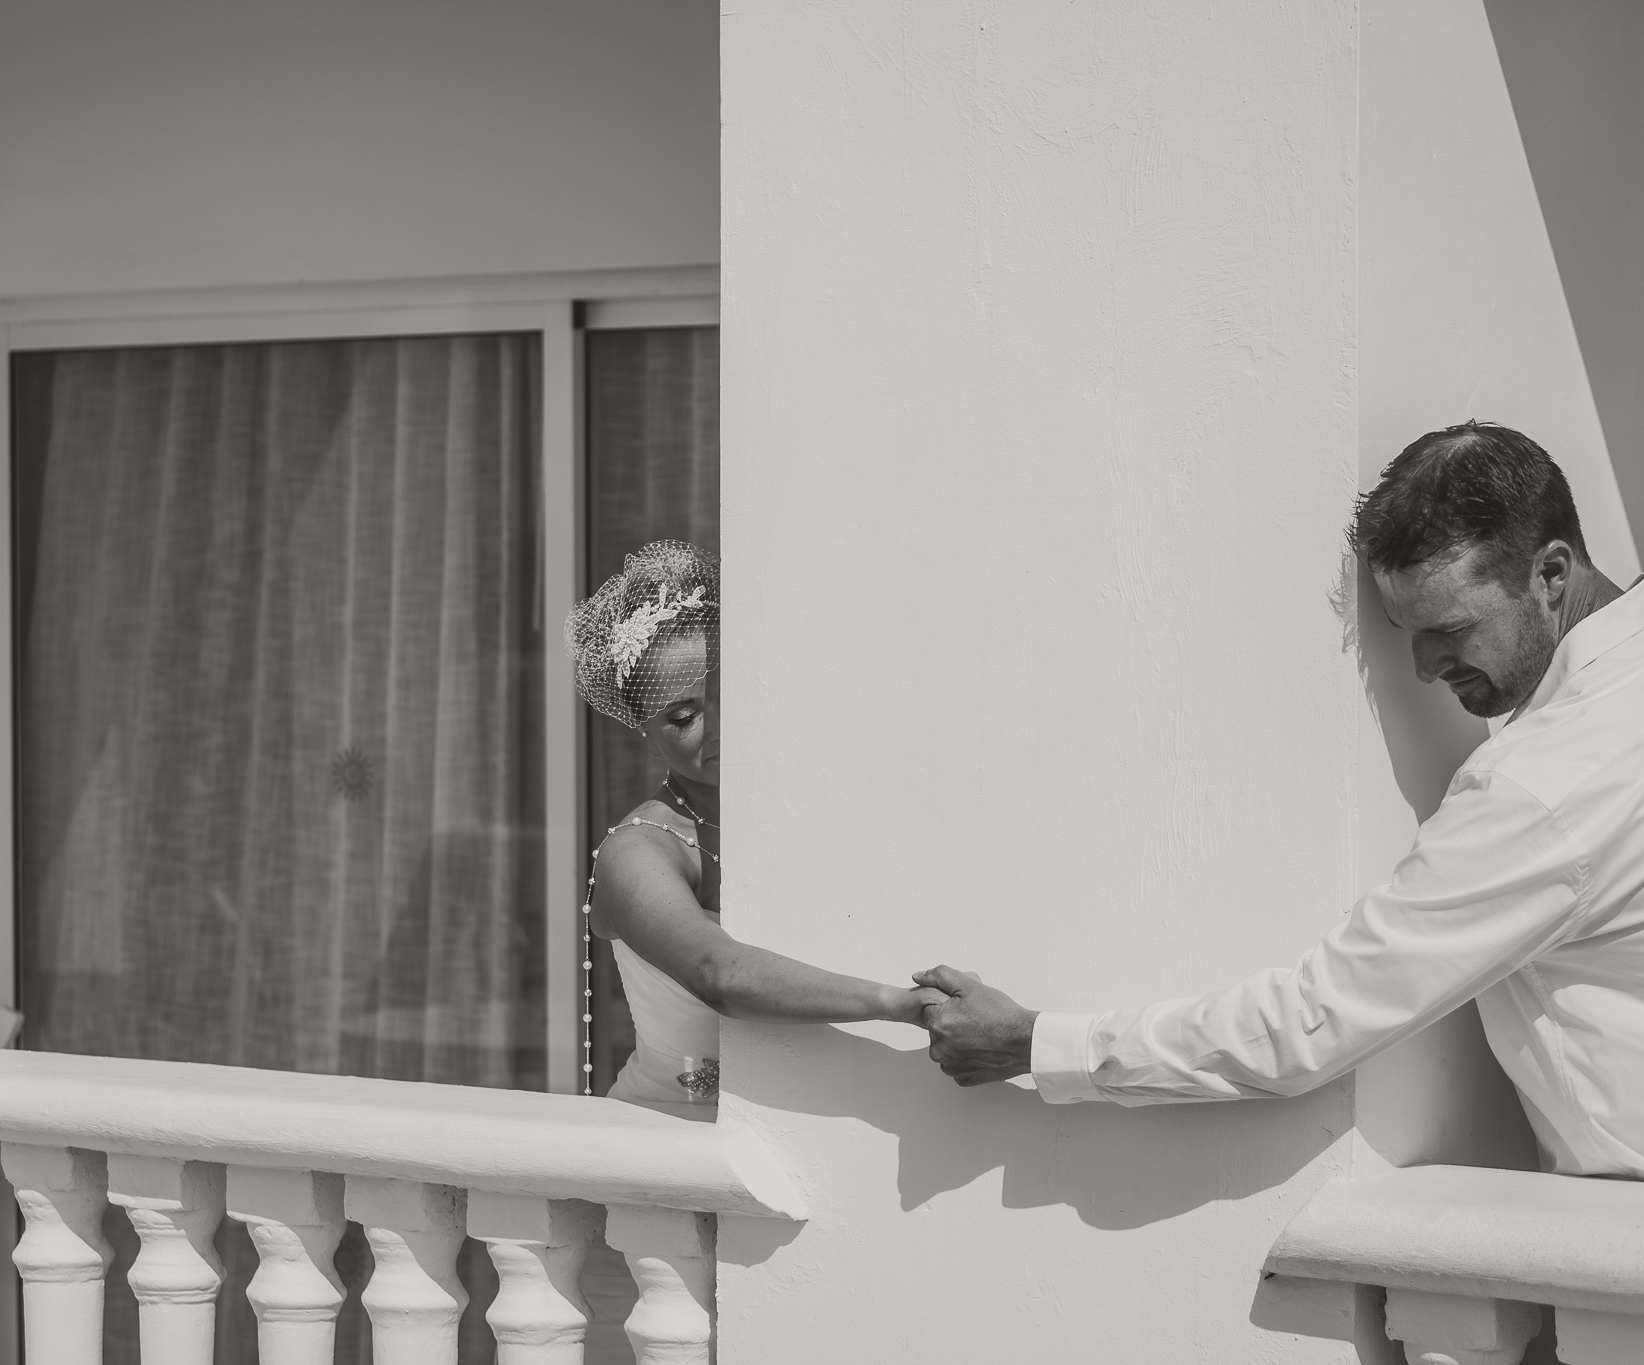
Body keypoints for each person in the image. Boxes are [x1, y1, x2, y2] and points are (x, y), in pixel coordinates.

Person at [917, 421, 1644, 1179]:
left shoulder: (1544, 786)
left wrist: (1037, 1043)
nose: (1425, 667)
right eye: (1404, 632)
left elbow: (1312, 1023)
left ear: (1552, 574)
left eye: (1449, 628)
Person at [571, 540, 942, 1111]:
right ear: (643, 727)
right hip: (667, 1135)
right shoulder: (635, 854)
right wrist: (897, 1003)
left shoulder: (810, 812)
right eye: (685, 715)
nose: (716, 726)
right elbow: (716, 972)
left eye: (729, 695)